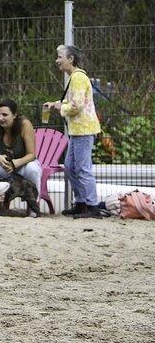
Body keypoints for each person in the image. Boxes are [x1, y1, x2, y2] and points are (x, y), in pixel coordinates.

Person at [43, 45, 101, 219]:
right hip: (77, 131)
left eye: (60, 57)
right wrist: (56, 104)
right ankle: (81, 203)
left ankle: (92, 206)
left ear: (71, 59)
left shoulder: (78, 78)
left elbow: (76, 106)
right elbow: (72, 101)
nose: (57, 60)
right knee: (69, 167)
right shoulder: (74, 78)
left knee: (82, 168)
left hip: (84, 130)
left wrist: (61, 107)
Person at [0, 98, 41, 192]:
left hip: (23, 166)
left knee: (32, 168)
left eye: (5, 115)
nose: (0, 118)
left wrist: (15, 163)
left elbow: (31, 155)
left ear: (14, 115)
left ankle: (34, 197)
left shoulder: (25, 125)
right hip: (6, 167)